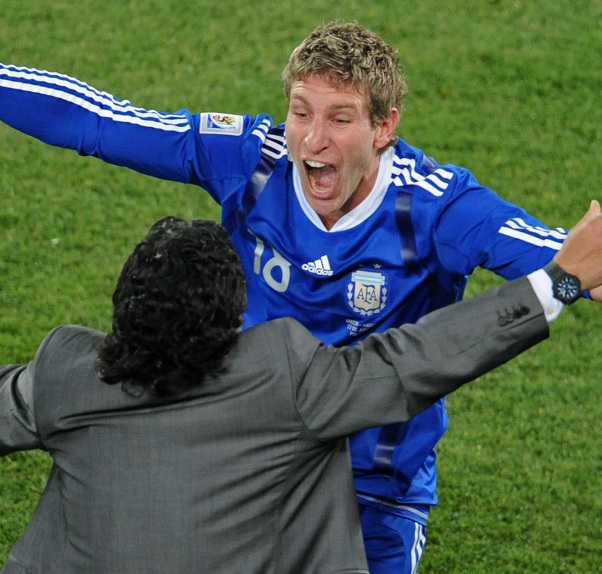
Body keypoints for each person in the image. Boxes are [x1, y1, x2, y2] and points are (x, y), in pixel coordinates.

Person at [0, 21, 597, 572]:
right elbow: (99, 123)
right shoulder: (251, 160)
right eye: (301, 112)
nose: (313, 139)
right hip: (250, 454)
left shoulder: (438, 208)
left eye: (340, 119)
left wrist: (580, 277)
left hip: (374, 484)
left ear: (384, 127)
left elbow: (567, 257)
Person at [2, 204, 602, 573]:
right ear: (232, 318)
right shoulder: (284, 379)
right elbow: (417, 358)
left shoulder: (65, 374)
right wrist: (561, 280)